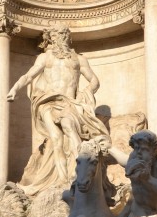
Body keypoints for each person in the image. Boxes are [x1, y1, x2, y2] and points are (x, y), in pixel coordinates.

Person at [7, 26, 110, 193]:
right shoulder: (44, 57)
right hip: (47, 101)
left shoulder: (78, 59)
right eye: (55, 35)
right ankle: (62, 179)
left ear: (68, 37)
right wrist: (14, 89)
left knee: (70, 129)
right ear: (51, 38)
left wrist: (86, 94)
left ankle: (79, 173)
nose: (59, 37)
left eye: (63, 34)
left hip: (69, 102)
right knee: (56, 138)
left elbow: (94, 81)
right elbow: (29, 76)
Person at [109, 130, 157, 217]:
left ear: (155, 150)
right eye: (136, 148)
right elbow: (125, 161)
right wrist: (108, 148)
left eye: (144, 149)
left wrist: (148, 179)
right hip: (137, 215)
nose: (138, 153)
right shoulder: (134, 158)